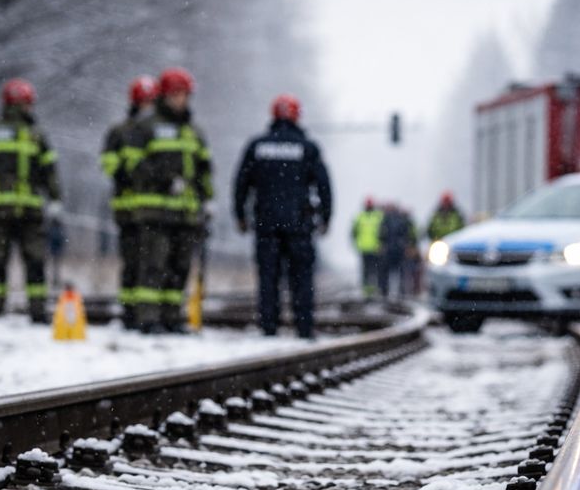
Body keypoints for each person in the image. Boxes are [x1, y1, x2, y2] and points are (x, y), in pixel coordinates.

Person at [234, 94, 332, 339]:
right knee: (301, 278)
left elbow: (241, 183)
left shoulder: (257, 146)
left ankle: (269, 326)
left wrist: (240, 216)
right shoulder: (308, 148)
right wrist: (326, 218)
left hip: (266, 225)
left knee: (268, 278)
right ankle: (304, 327)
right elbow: (324, 186)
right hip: (299, 225)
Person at [123, 68, 213, 333]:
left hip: (186, 213)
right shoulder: (146, 127)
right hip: (154, 211)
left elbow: (204, 169)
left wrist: (207, 199)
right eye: (176, 94)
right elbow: (132, 164)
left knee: (179, 266)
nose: (181, 99)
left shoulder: (193, 131)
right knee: (154, 264)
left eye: (184, 94)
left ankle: (173, 317)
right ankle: (148, 318)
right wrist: (163, 179)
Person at [0, 78, 62, 323]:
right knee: (35, 261)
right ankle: (38, 311)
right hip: (29, 210)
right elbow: (49, 171)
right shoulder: (35, 135)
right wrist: (54, 199)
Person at [102, 75, 158, 330]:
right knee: (132, 261)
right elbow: (109, 164)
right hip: (127, 209)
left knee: (152, 261)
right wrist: (129, 173)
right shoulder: (119, 132)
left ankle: (147, 313)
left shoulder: (156, 131)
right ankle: (129, 312)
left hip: (152, 209)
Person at [380, 204, 414, 298]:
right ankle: (397, 292)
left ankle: (391, 292)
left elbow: (382, 234)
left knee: (394, 272)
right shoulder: (401, 220)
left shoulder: (386, 220)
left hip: (395, 250)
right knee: (397, 271)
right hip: (396, 250)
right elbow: (408, 235)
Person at [352, 197, 384, 297]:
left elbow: (384, 233)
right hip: (364, 249)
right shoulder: (359, 217)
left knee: (374, 270)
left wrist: (381, 245)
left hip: (375, 249)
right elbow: (354, 232)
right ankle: (367, 291)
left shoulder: (378, 216)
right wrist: (357, 244)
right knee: (366, 270)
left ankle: (374, 289)